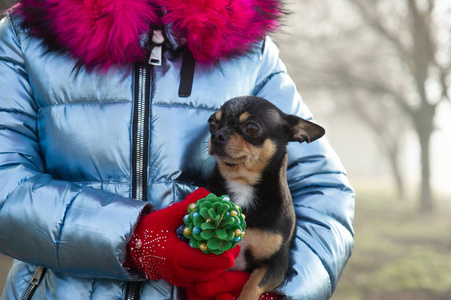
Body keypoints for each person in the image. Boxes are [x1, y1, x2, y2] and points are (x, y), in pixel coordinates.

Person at [0, 0, 355, 299]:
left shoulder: (249, 48)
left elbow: (323, 189)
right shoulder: (25, 33)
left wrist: (276, 292)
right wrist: (131, 240)